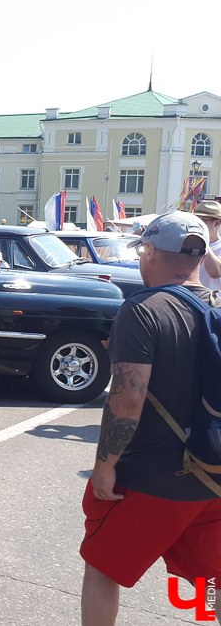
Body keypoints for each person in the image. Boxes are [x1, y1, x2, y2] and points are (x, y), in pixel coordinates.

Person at [80, 211, 221, 626]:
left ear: (152, 251)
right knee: (209, 575)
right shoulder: (217, 306)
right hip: (213, 471)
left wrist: (104, 467)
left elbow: (126, 400)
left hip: (153, 477)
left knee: (103, 569)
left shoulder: (142, 310)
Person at [194, 200, 221, 291]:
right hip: (192, 299)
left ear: (217, 223)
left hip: (213, 302)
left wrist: (203, 239)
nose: (197, 225)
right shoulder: (192, 243)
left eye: (202, 221)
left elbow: (215, 272)